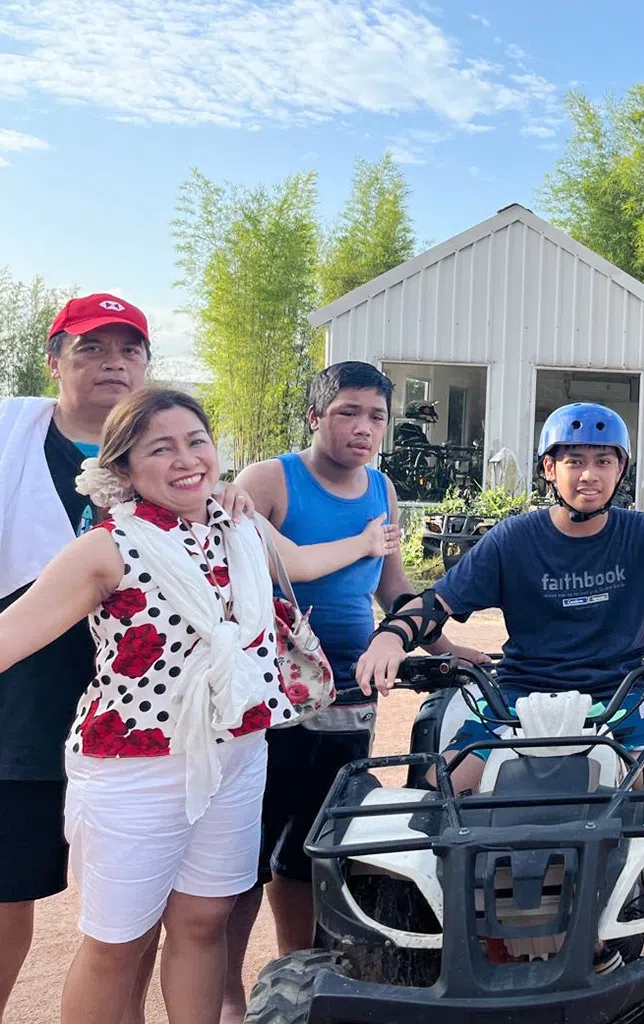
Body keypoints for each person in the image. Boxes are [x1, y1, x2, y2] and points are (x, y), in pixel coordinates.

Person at [0, 387, 396, 1024]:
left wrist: (370, 542)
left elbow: (296, 562)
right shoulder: (104, 548)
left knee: (205, 922)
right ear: (124, 466)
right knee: (117, 946)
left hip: (238, 757)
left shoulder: (239, 526)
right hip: (136, 767)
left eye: (196, 442)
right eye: (161, 448)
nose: (186, 460)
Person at [0, 294, 256, 1022]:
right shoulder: (16, 446)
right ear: (54, 360)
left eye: (129, 350)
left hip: (198, 738)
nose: (113, 362)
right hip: (42, 716)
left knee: (185, 922)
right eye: (90, 348)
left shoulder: (212, 509)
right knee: (35, 909)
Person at [220, 363, 478, 1021]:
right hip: (268, 703)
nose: (363, 429)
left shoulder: (383, 490)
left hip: (349, 699)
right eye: (347, 413)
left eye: (376, 417)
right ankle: (221, 992)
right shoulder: (268, 481)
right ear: (314, 416)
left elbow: (392, 590)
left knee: (317, 846)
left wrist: (443, 647)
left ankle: (297, 972)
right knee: (243, 856)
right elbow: (244, 577)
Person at [354, 402, 644, 797]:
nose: (589, 475)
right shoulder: (513, 539)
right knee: (435, 795)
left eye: (603, 461)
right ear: (549, 469)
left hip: (622, 696)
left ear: (621, 470)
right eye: (574, 461)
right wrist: (390, 638)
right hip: (516, 697)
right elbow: (435, 603)